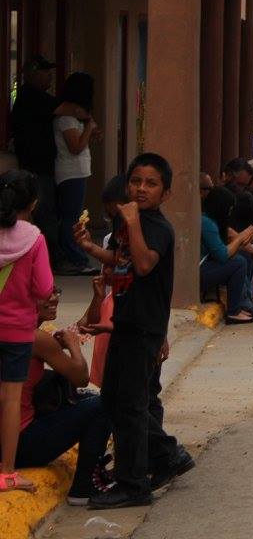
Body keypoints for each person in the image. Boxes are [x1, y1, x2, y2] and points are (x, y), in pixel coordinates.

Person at [91, 152, 175, 510]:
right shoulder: (131, 223)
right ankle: (168, 457)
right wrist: (88, 247)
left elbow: (142, 265)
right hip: (126, 321)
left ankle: (134, 483)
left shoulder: (155, 226)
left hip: (144, 327)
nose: (141, 189)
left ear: (164, 193)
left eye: (151, 183)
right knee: (116, 399)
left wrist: (134, 223)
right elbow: (122, 261)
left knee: (130, 405)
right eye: (136, 181)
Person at [16, 284, 111, 505]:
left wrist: (96, 299)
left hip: (11, 440)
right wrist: (74, 347)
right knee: (102, 405)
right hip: (20, 445)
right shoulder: (37, 339)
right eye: (44, 294)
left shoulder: (17, 332)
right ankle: (83, 487)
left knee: (80, 397)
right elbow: (80, 377)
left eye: (56, 291)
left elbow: (79, 327)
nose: (54, 298)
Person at [0, 170, 55, 493]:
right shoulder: (34, 238)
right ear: (32, 204)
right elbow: (44, 287)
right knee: (10, 400)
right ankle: (7, 473)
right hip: (18, 333)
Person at [7, 56, 60, 254]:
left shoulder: (35, 97)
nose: (50, 77)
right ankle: (51, 257)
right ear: (33, 73)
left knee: (45, 213)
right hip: (36, 166)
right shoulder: (30, 96)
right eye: (46, 73)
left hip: (41, 165)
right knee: (44, 214)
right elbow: (64, 108)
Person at [52, 73, 100, 276]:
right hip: (70, 173)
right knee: (71, 217)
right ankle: (75, 258)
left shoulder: (74, 118)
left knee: (74, 215)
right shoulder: (66, 119)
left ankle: (76, 256)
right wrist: (89, 128)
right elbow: (75, 147)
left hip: (78, 172)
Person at [200, 187, 253, 324]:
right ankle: (234, 311)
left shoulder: (211, 222)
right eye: (229, 209)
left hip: (204, 269)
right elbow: (223, 255)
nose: (230, 213)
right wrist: (240, 238)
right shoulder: (206, 223)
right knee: (238, 262)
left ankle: (247, 302)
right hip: (197, 274)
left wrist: (243, 239)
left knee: (243, 256)